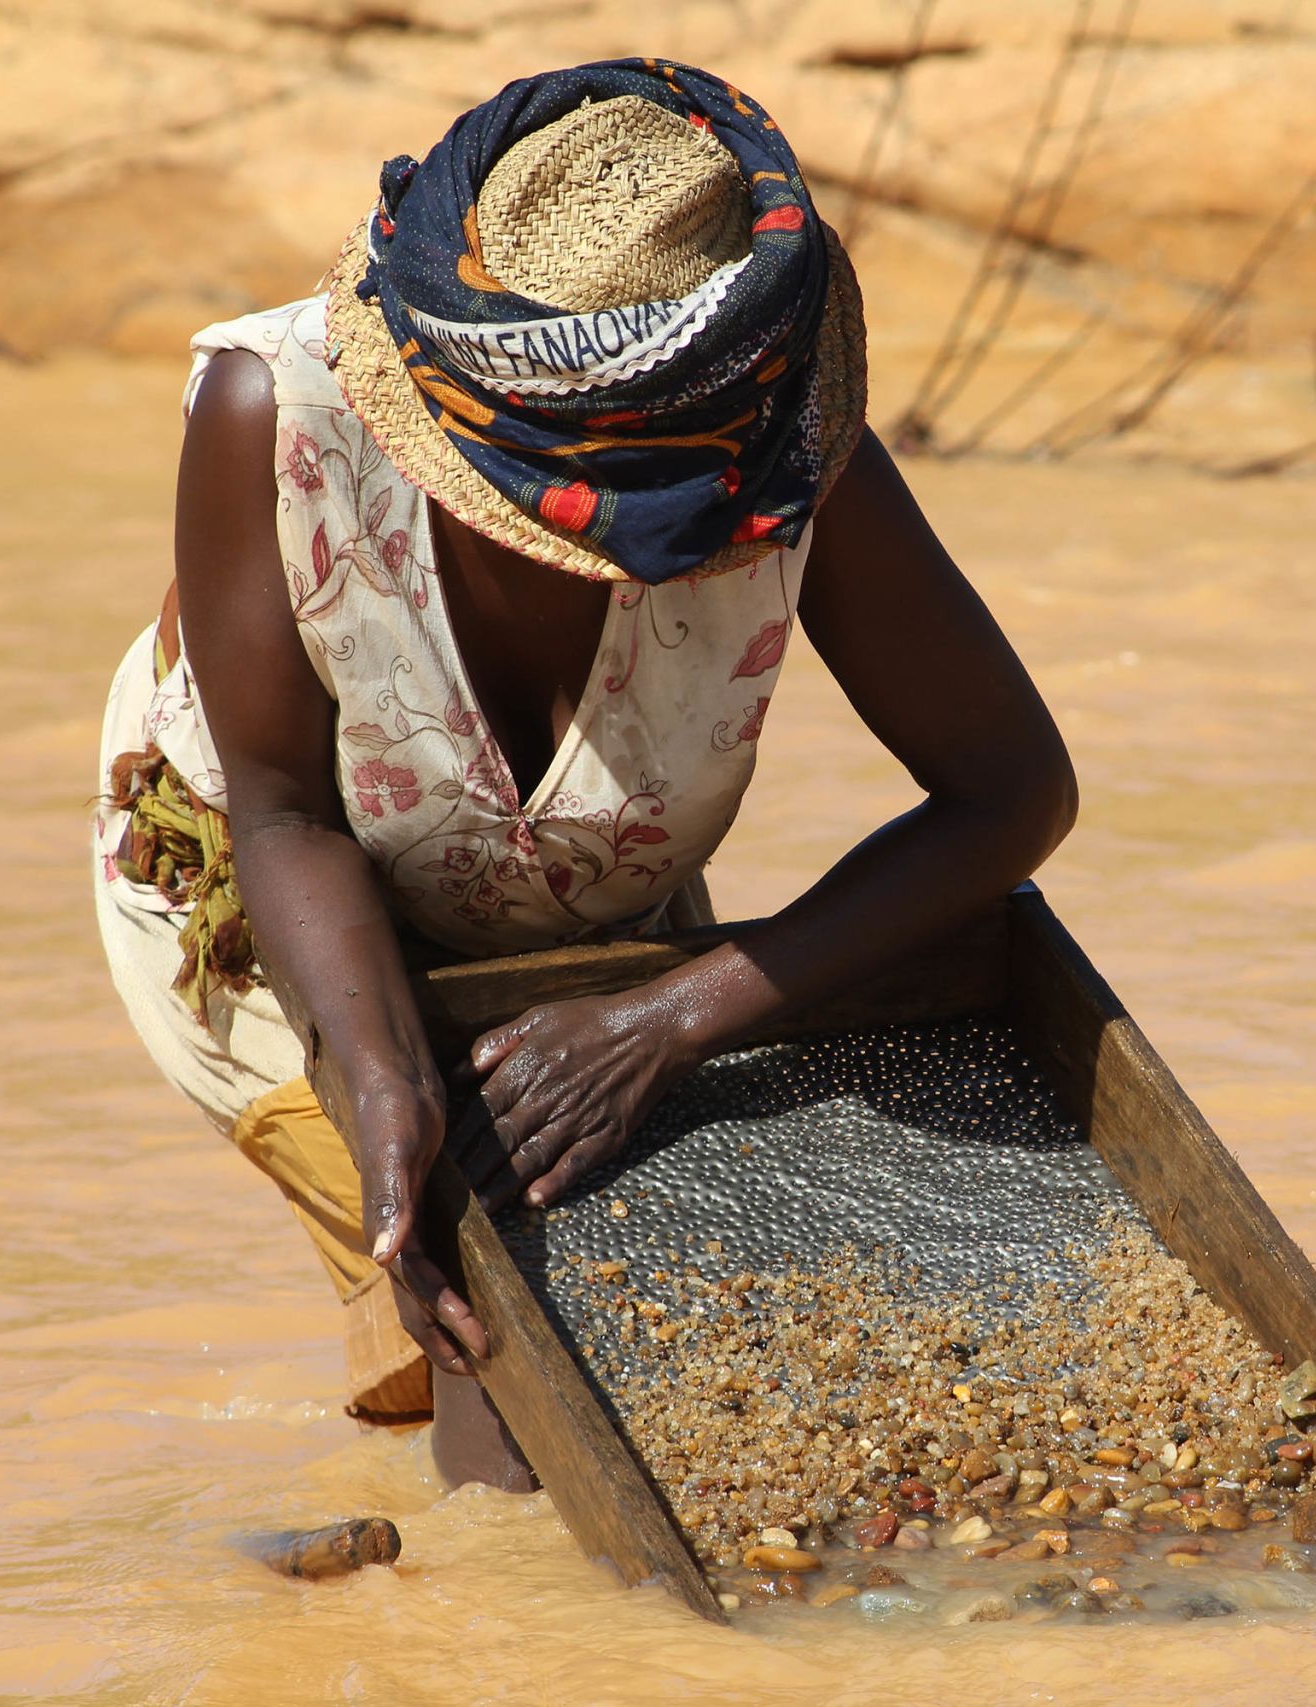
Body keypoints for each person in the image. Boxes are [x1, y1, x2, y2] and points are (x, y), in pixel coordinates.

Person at [90, 60, 1076, 1487]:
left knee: (650, 1361)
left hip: (586, 903)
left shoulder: (781, 456)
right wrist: (380, 1086)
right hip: (270, 896)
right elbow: (284, 808)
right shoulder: (273, 416)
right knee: (476, 1347)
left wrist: (669, 1018)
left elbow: (1012, 794)